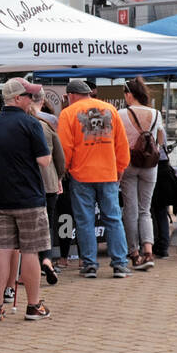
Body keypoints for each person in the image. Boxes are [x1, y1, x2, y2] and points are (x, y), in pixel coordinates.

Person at [0, 80, 53, 320]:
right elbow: (44, 161)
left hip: (1, 197)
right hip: (29, 198)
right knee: (31, 251)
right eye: (29, 96)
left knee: (2, 250)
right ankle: (33, 306)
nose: (32, 100)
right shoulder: (31, 123)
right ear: (18, 98)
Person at [58, 78, 130, 279]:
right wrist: (121, 167)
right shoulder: (110, 110)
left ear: (71, 95)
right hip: (108, 173)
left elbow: (65, 147)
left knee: (84, 220)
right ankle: (120, 264)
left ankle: (90, 264)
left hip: (81, 174)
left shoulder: (68, 113)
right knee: (113, 218)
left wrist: (64, 169)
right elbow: (121, 143)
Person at [119, 77, 166, 271]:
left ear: (129, 94)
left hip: (129, 163)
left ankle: (134, 253)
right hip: (150, 164)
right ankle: (149, 250)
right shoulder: (156, 113)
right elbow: (161, 139)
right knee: (145, 209)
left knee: (130, 209)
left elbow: (118, 140)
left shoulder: (121, 114)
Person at [30, 90, 66, 285]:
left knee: (27, 226)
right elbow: (60, 158)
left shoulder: (19, 125)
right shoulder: (48, 124)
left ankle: (29, 265)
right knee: (46, 224)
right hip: (48, 183)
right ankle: (46, 259)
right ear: (42, 101)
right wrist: (59, 176)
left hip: (26, 185)